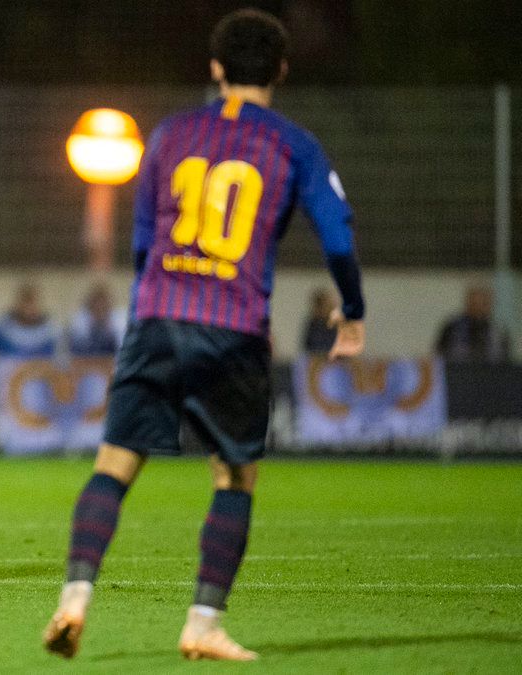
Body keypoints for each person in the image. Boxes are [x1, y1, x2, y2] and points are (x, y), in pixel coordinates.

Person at [42, 10, 366, 661]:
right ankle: (202, 622)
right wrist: (352, 310)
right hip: (234, 327)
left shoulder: (169, 134)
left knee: (114, 467)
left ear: (215, 68)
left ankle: (74, 598)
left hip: (157, 318)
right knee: (234, 478)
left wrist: (151, 309)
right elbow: (336, 233)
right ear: (279, 69)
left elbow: (142, 244)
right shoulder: (294, 144)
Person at [435, 284, 511, 363]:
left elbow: (504, 359)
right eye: (475, 303)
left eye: (483, 303)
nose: (478, 308)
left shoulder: (497, 331)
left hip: (490, 373)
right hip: (458, 372)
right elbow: (440, 355)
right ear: (468, 303)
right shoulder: (452, 328)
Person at [0, 284, 57, 357]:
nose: (29, 309)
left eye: (32, 304)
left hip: (40, 365)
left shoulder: (48, 330)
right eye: (26, 304)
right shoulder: (3, 328)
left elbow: (52, 358)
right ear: (18, 304)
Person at [67, 283, 128, 357]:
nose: (99, 308)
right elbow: (75, 351)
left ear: (108, 306)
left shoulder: (118, 321)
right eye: (96, 306)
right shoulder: (81, 322)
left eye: (103, 306)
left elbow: (122, 349)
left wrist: (109, 327)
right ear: (90, 307)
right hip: (86, 360)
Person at [301, 288, 338, 354]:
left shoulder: (338, 323)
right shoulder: (314, 324)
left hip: (337, 359)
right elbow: (310, 348)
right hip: (317, 358)